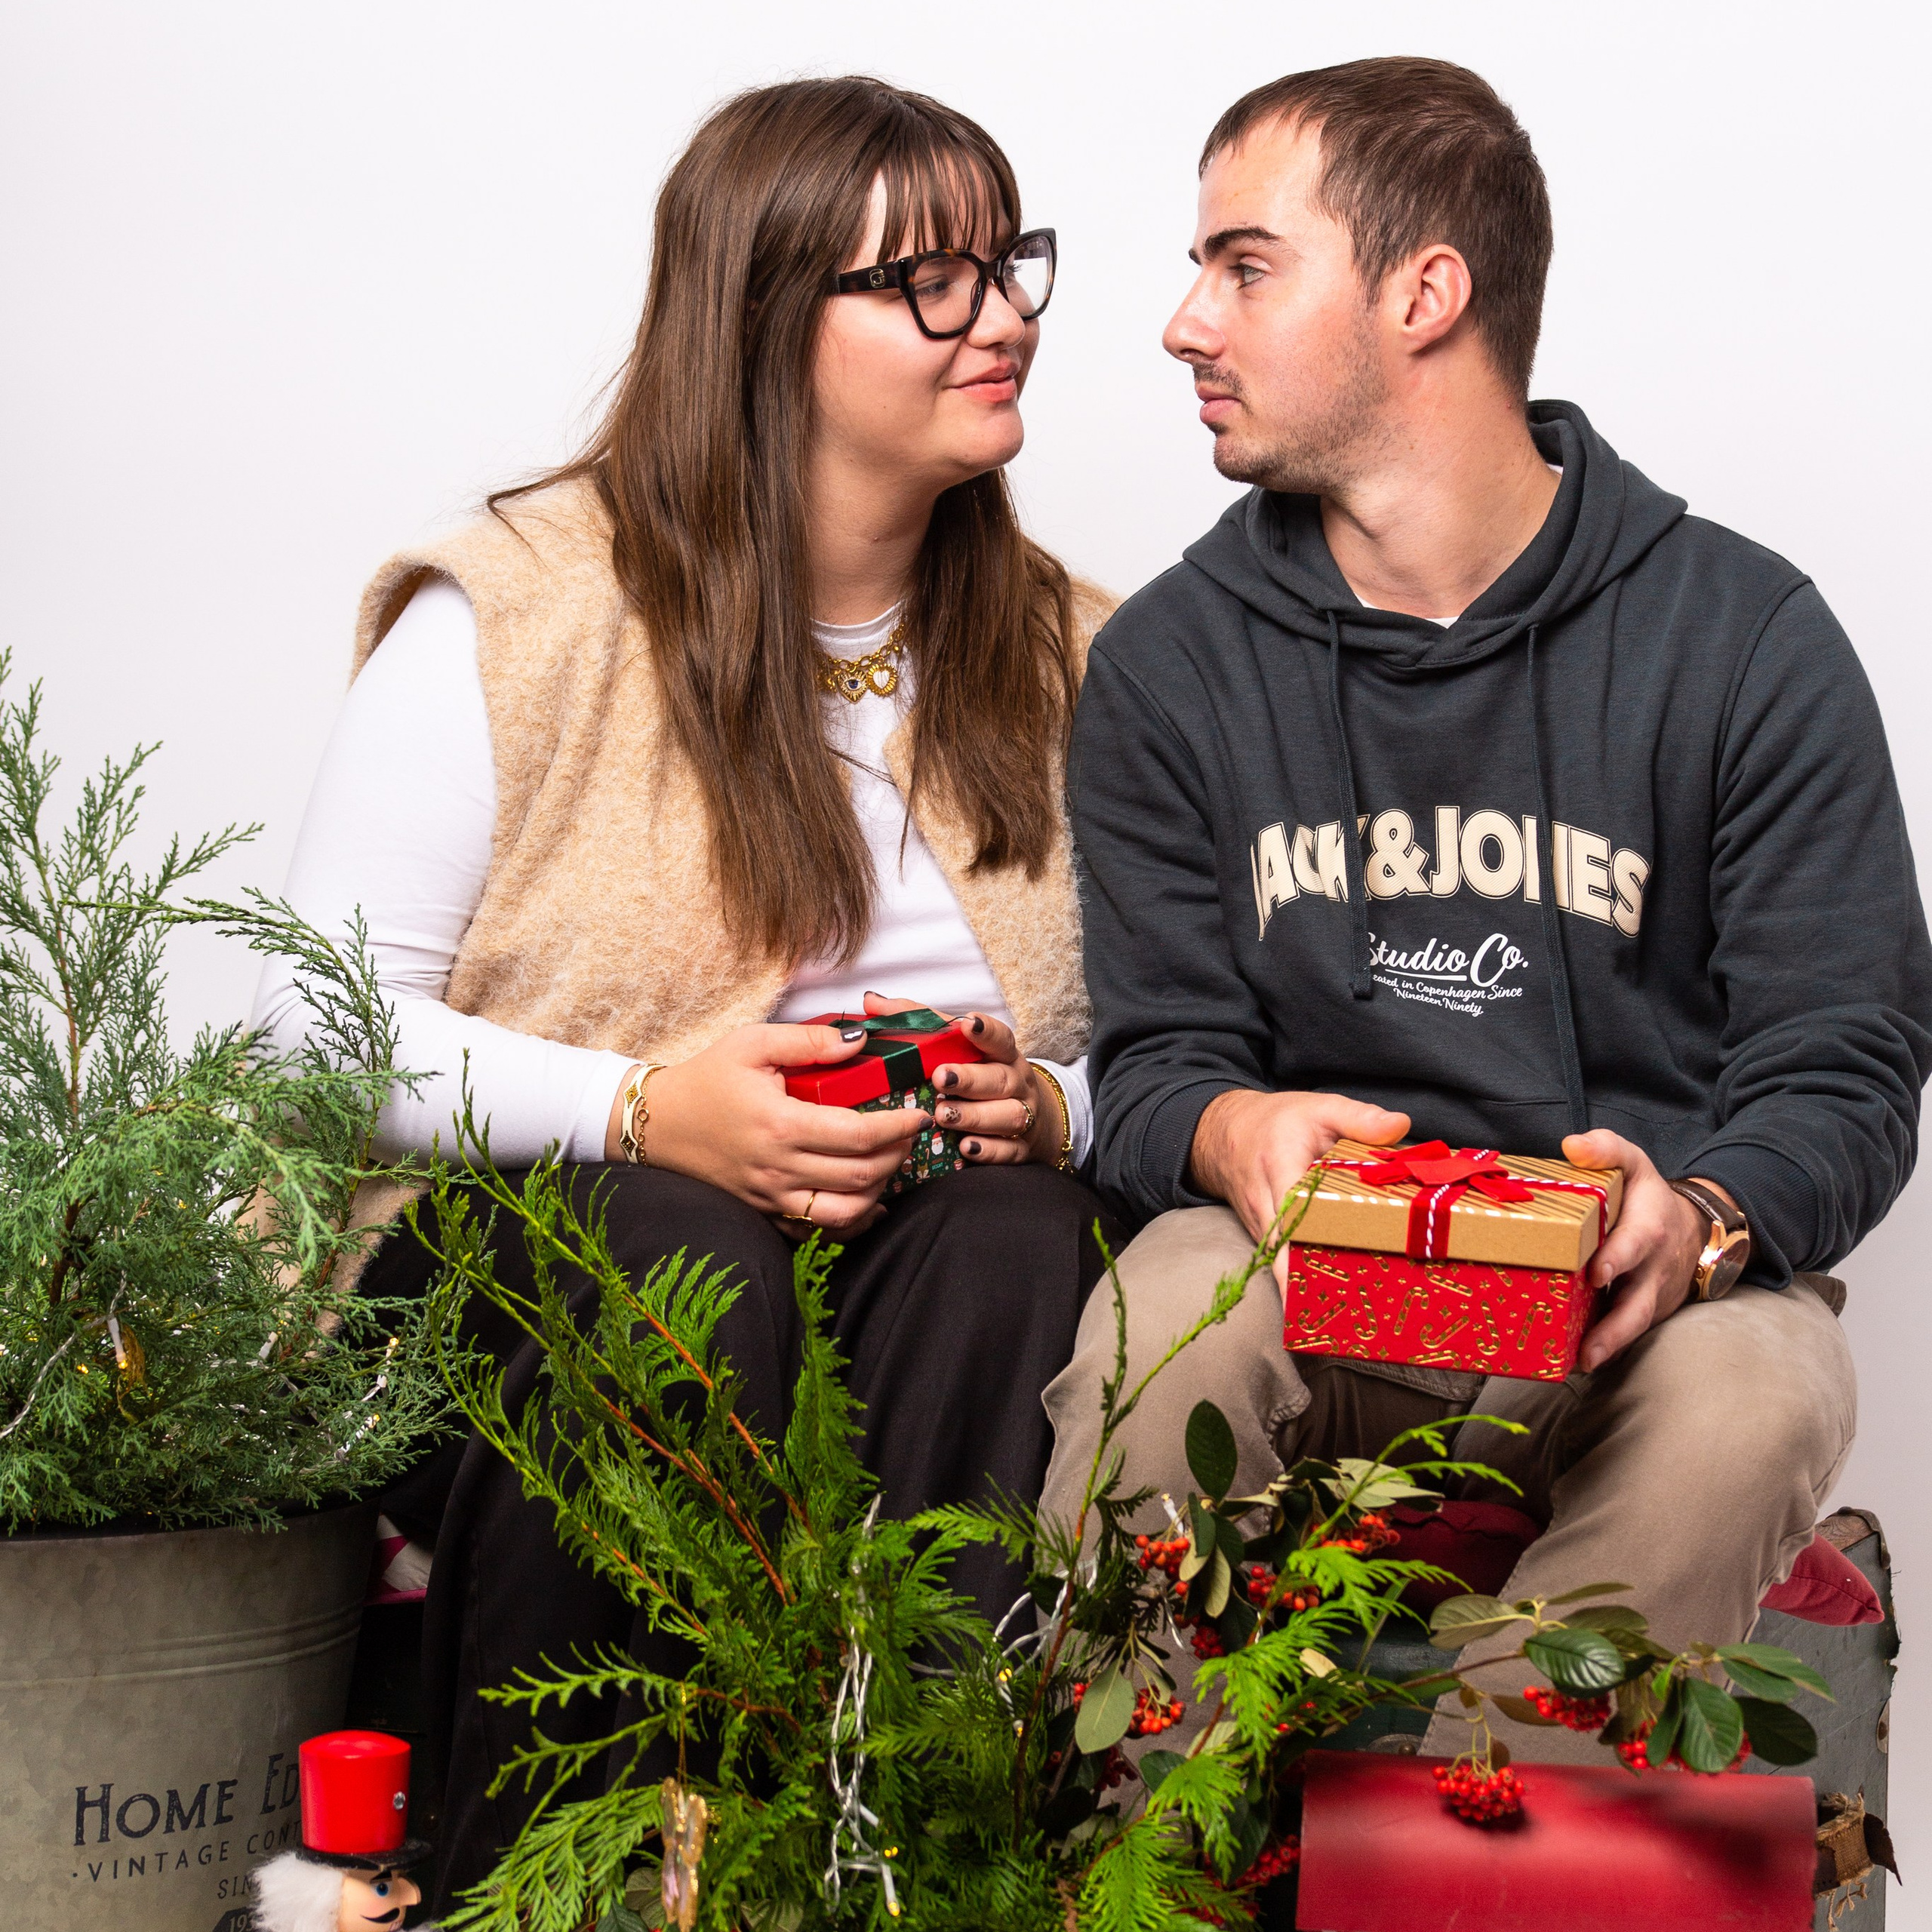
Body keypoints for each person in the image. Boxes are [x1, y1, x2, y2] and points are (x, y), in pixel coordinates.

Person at [256, 76, 1117, 1906]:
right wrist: (652, 1106)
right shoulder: (517, 616)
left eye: (1011, 261)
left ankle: (902, 1846)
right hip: (521, 1261)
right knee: (677, 1243)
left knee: (1017, 1236)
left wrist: (1048, 1101)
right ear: (761, 318)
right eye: (933, 280)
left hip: (912, 1253)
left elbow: (1185, 1038)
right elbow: (310, 1022)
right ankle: (535, 1879)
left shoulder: (1077, 654)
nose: (1010, 315)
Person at [1042, 56, 1932, 1764]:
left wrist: (1708, 1213)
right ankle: (1149, 1848)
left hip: (1629, 1302)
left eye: (1240, 264)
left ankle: (1477, 1838)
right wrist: (1228, 1128)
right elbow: (1148, 1063)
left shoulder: (1741, 635)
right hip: (1316, 1281)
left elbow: (1845, 1057)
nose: (1179, 322)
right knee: (1157, 1325)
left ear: (1421, 292)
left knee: (1766, 1391)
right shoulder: (1166, 666)